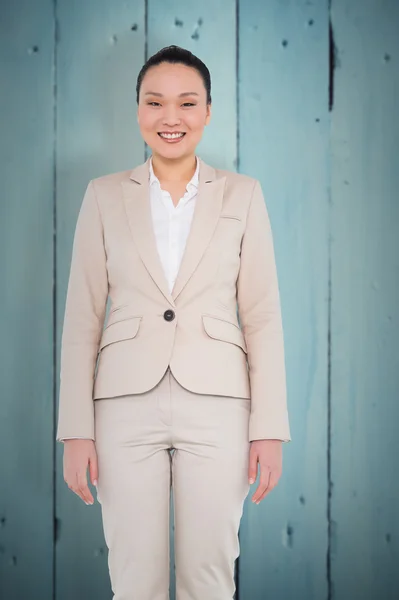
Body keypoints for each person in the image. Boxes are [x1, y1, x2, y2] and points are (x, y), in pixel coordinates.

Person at [56, 44, 291, 600]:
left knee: (210, 576)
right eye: (155, 102)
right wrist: (75, 430)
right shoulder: (103, 195)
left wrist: (269, 428)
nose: (171, 117)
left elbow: (262, 316)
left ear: (207, 111)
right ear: (138, 110)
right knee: (133, 578)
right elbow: (82, 317)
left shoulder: (244, 195)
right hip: (122, 407)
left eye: (187, 103)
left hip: (219, 406)